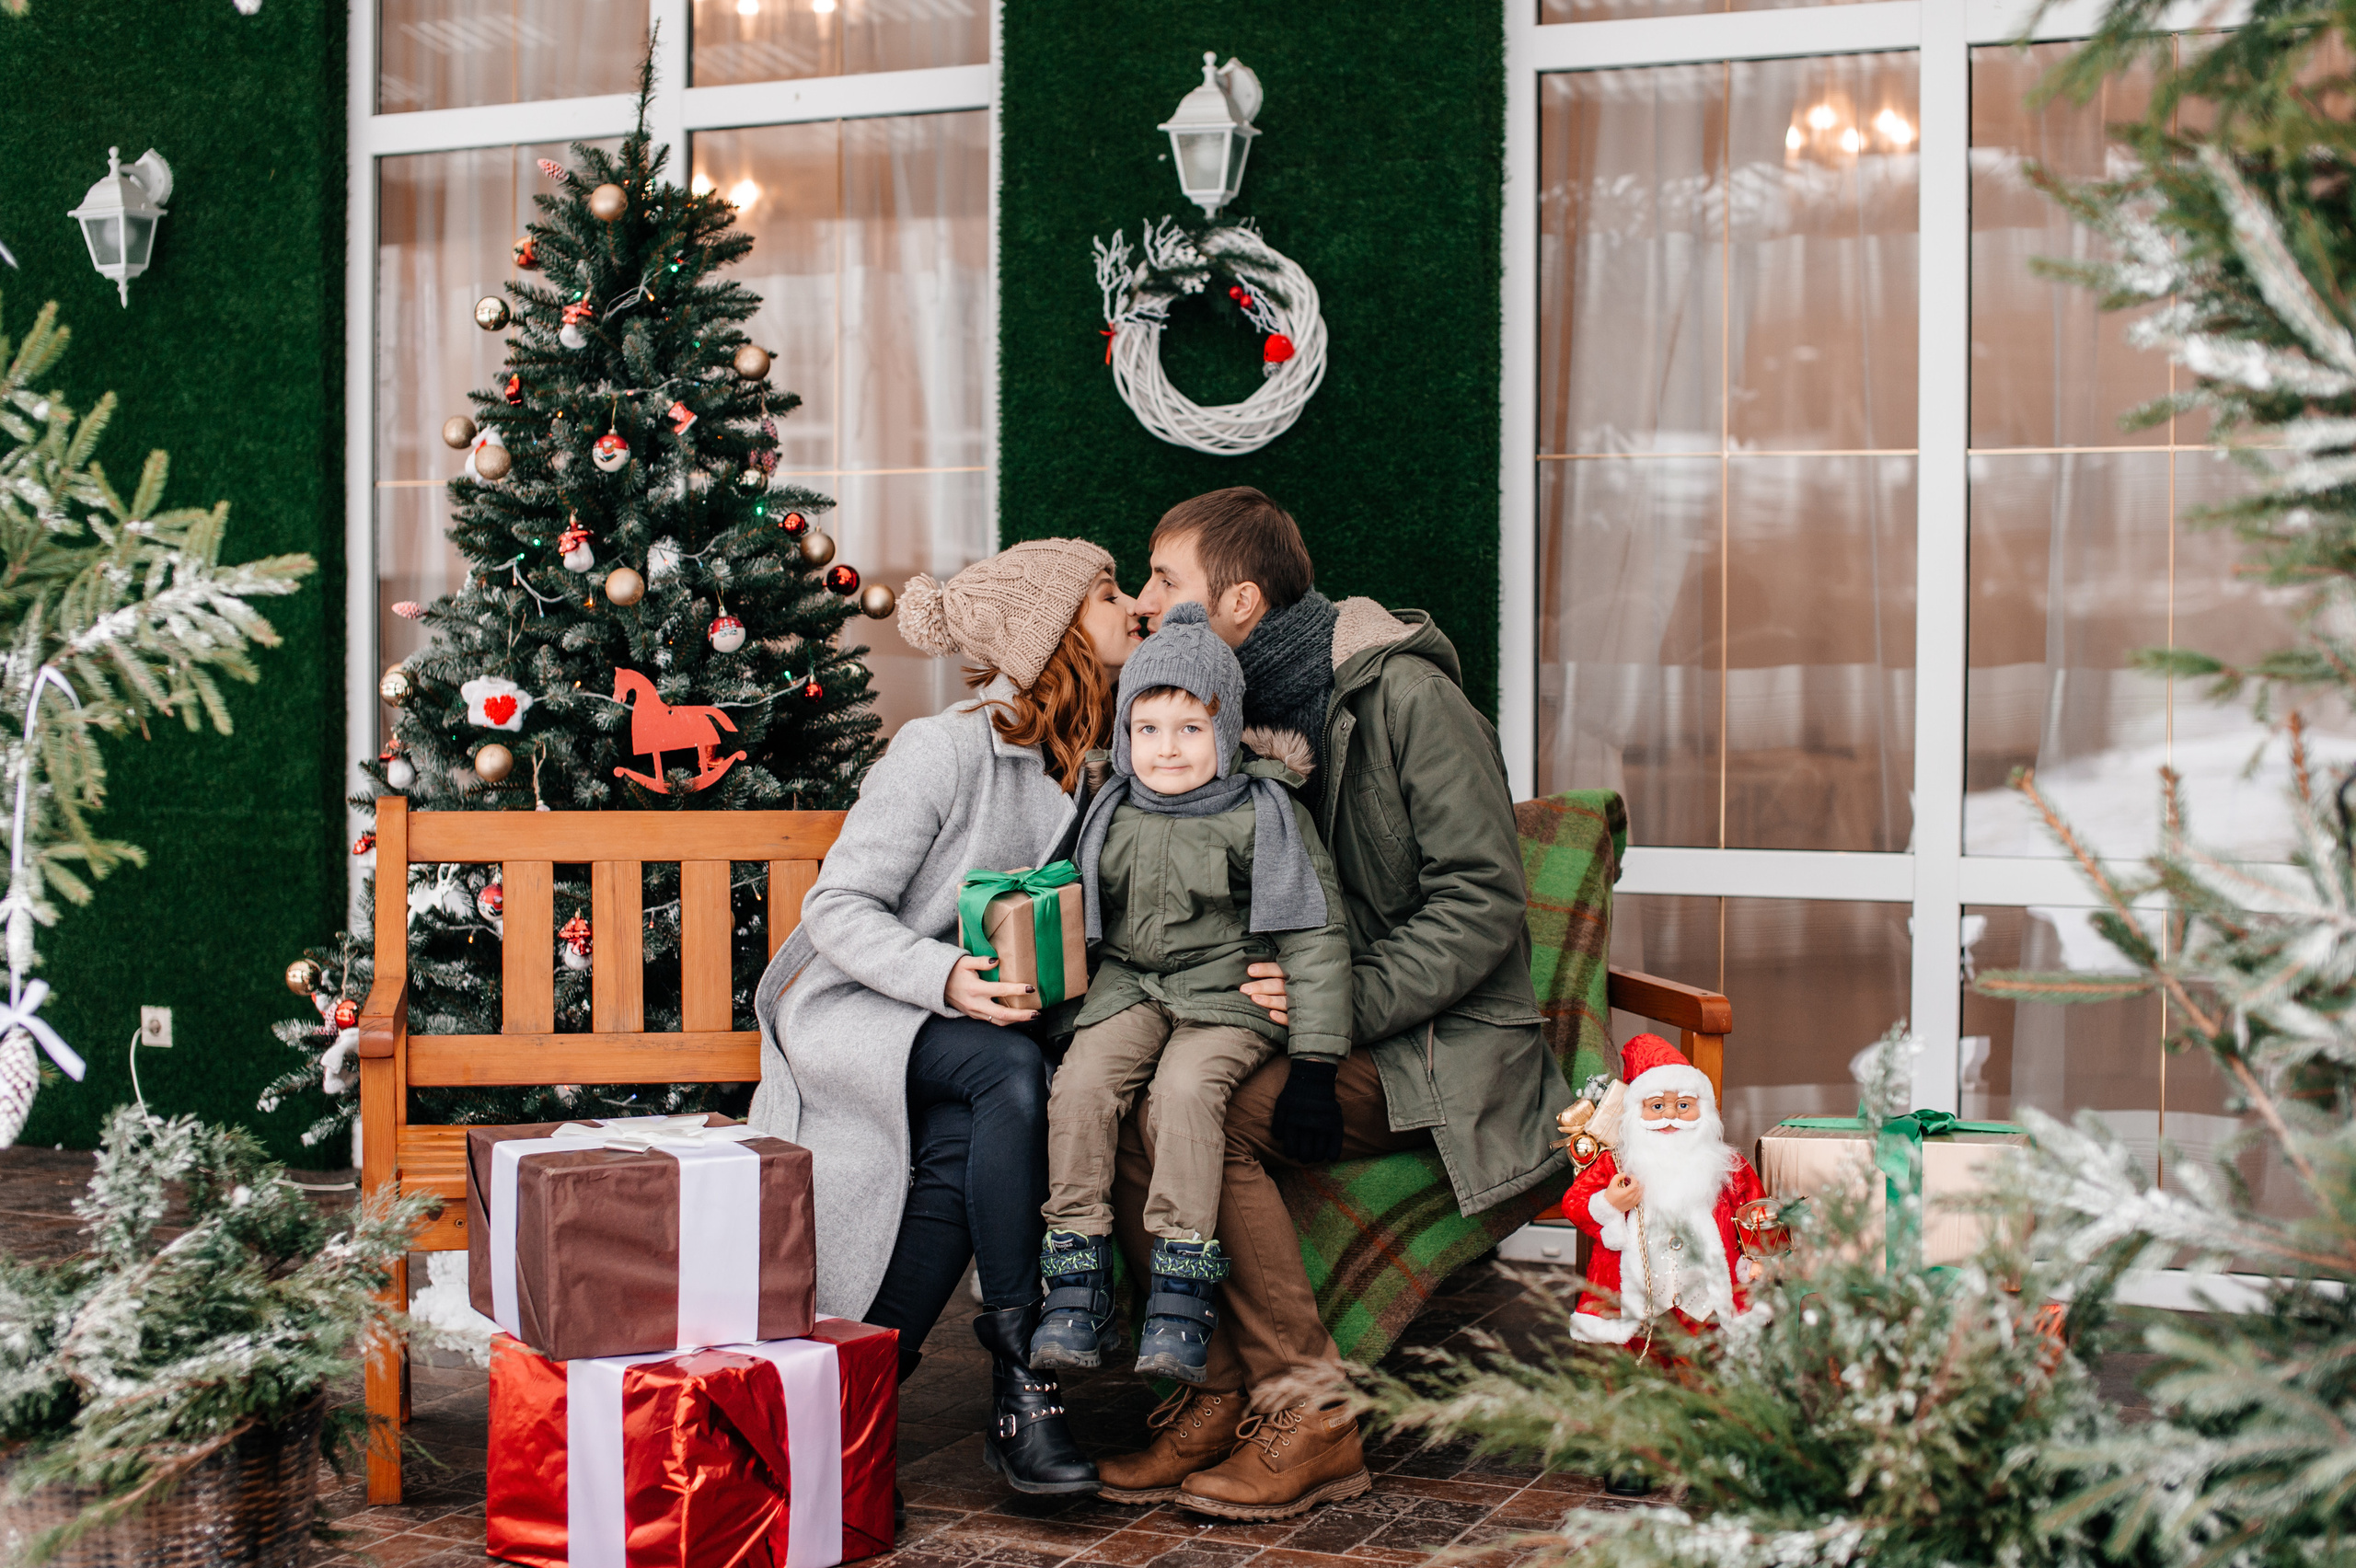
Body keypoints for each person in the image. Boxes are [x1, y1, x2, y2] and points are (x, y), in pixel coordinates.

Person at [1099, 487, 1574, 1520]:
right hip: (1298, 1020)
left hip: (1441, 1046)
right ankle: (1219, 1389)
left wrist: (1337, 1006)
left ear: (1236, 601)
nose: (1142, 602)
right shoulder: (1226, 723)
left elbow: (1482, 903)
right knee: (1139, 1102)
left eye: (1162, 580)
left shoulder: (1403, 698)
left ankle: (1312, 1413)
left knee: (1207, 1112)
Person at [748, 539, 1138, 1496]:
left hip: (968, 1035)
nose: (1134, 609)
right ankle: (1025, 1369)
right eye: (1107, 595)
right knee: (1004, 1077)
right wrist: (947, 977)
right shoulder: (944, 748)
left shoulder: (1098, 763)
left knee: (971, 1126)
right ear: (1049, 631)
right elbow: (835, 912)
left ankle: (861, 1393)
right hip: (860, 1009)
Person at [1029, 603, 1353, 1389]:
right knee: (1080, 1087)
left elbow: (1314, 935)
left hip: (1228, 992)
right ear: (1124, 737)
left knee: (1181, 1092)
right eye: (1148, 730)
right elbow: (1076, 908)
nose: (1167, 749)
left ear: (1227, 732)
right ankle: (1077, 1276)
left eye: (1189, 730)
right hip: (1132, 985)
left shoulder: (1263, 815)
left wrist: (1315, 1061)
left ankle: (1181, 1288)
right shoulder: (1109, 807)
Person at [1560, 1032, 1767, 1346]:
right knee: (1636, 1366)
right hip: (1634, 1298)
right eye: (1657, 1105)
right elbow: (1574, 1203)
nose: (1670, 1115)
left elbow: (1756, 1208)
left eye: (1683, 1105)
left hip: (1706, 1296)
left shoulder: (1726, 1163)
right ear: (1636, 1112)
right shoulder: (1616, 1163)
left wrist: (1758, 1256)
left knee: (1703, 1363)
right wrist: (1609, 1202)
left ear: (1704, 1110)